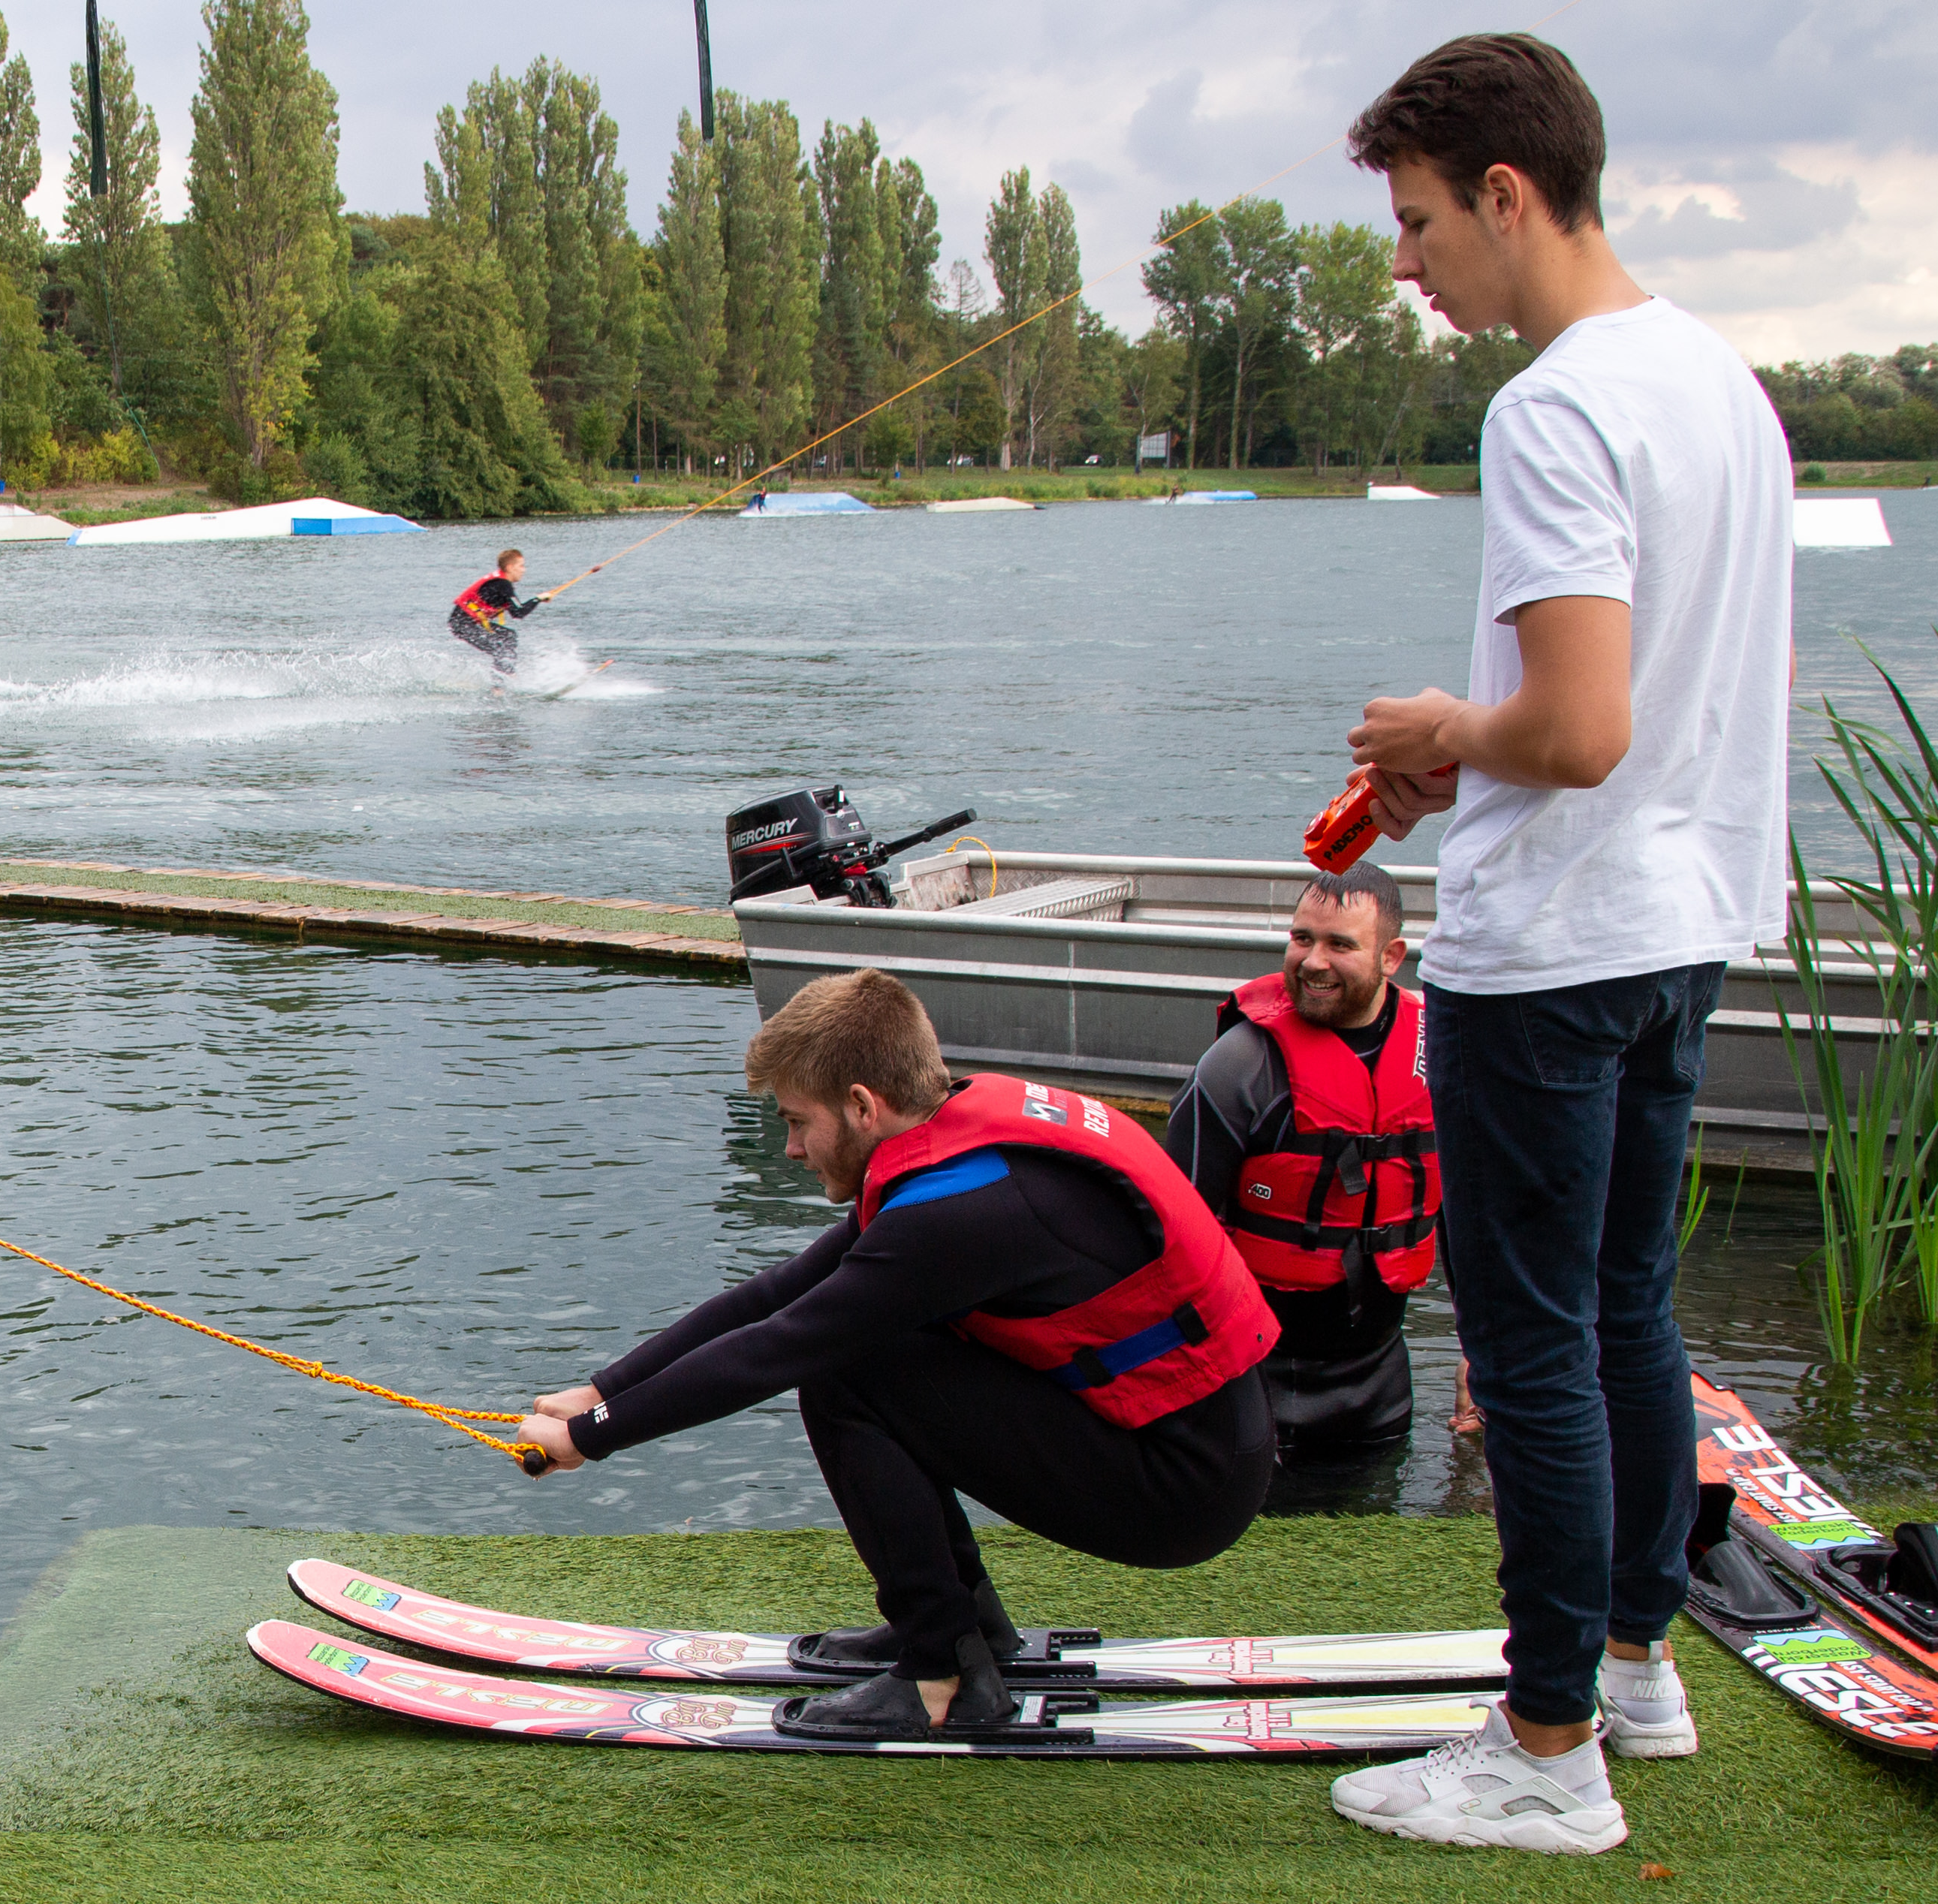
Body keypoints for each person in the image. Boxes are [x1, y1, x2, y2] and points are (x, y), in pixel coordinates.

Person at [1321, 32, 1791, 1855]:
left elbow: (1580, 726)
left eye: (1419, 220)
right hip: (1682, 924)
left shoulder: (1553, 406)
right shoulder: (1720, 385)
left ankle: (1542, 1746)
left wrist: (1444, 725)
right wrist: (1476, 753)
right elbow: (1659, 703)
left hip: (1555, 947)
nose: (1405, 261)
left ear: (1506, 194)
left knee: (1527, 1348)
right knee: (1626, 1313)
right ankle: (1636, 1668)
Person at [513, 970, 1280, 1740]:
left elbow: (776, 1348)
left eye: (797, 1122)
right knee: (864, 1356)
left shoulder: (955, 1218)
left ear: (860, 1105)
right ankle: (969, 1630)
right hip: (1201, 1440)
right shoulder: (962, 1147)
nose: (791, 1148)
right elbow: (777, 1293)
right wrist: (601, 1391)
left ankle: (941, 1670)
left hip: (1184, 1488)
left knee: (847, 1370)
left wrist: (588, 1439)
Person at [1164, 863, 1438, 1455]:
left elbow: (1476, 1217)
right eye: (1302, 938)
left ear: (1391, 956)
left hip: (1382, 1382)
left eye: (1340, 945)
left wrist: (1484, 1352)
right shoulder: (1239, 1066)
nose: (1313, 961)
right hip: (1252, 1380)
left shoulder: (1440, 1057)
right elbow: (1170, 1231)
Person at [448, 549, 541, 673]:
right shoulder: (502, 585)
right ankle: (502, 681)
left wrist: (537, 600)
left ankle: (506, 675)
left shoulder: (502, 584)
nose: (524, 570)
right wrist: (538, 599)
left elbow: (516, 611)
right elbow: (519, 613)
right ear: (510, 567)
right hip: (461, 624)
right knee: (500, 649)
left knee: (509, 636)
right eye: (521, 566)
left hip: (472, 622)